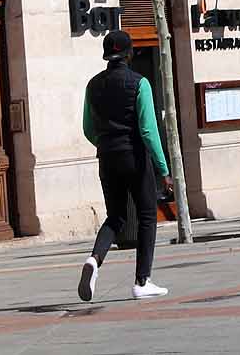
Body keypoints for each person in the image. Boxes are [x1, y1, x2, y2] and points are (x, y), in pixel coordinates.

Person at [77, 29, 173, 301]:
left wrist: (105, 143)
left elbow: (87, 128)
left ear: (107, 55)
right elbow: (148, 131)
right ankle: (142, 281)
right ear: (130, 53)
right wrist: (163, 169)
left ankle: (94, 259)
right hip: (135, 158)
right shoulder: (140, 83)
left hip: (107, 158)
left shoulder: (92, 86)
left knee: (116, 217)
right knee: (146, 216)